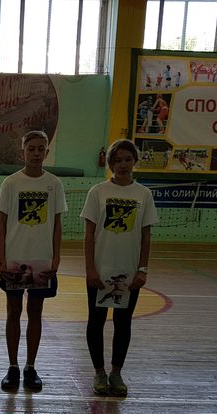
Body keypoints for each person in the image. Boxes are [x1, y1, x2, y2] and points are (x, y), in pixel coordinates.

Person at [81, 139, 159, 396]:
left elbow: (146, 235)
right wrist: (90, 269)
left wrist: (142, 269)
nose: (123, 165)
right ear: (110, 164)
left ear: (135, 161)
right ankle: (99, 373)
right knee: (96, 321)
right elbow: (89, 235)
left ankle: (116, 373)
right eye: (118, 160)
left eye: (128, 159)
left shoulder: (143, 194)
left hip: (129, 271)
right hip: (101, 269)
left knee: (123, 323)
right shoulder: (98, 192)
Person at [0, 130, 67, 392]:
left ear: (47, 152)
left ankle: (30, 366)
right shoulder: (11, 183)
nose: (36, 153)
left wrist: (56, 256)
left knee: (36, 312)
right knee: (13, 312)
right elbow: (2, 224)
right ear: (22, 151)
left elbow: (57, 224)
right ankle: (12, 366)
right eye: (31, 148)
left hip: (42, 260)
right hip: (15, 259)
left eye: (41, 149)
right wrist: (1, 257)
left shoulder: (54, 184)